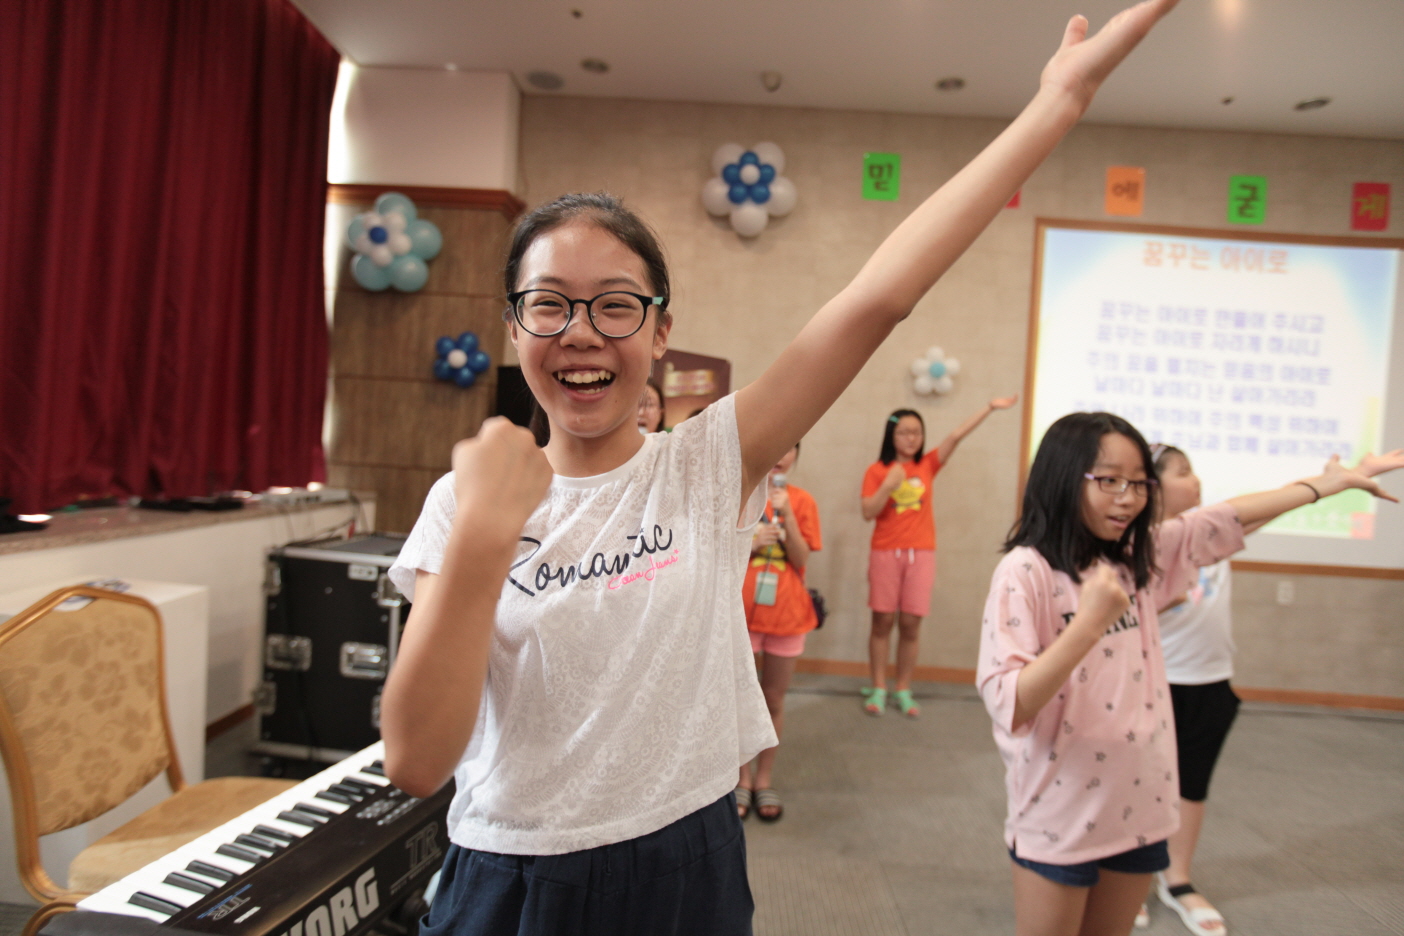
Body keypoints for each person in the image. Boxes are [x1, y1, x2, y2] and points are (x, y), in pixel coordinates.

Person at [380, 4, 1181, 931]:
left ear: (661, 331)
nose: (582, 333)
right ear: (515, 326)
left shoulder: (706, 464)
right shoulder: (466, 500)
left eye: (616, 305)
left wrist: (1057, 104)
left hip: (684, 858)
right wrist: (483, 541)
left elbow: (878, 297)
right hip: (513, 874)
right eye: (549, 304)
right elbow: (416, 760)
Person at [977, 412, 1400, 936]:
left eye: (1139, 483)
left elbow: (1224, 519)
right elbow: (1010, 701)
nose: (1128, 498)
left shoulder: (1136, 556)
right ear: (1063, 477)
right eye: (1109, 480)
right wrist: (1085, 627)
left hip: (1141, 803)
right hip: (1060, 809)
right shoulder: (1025, 571)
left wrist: (1324, 485)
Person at [1140, 444, 1404, 936]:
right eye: (1183, 473)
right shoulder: (1144, 542)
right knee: (1142, 786)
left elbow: (1275, 504)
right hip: (1156, 683)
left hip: (1210, 680)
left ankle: (1176, 879)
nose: (1196, 480)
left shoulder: (1208, 530)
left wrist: (1344, 477)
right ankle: (1130, 880)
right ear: (1152, 487)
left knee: (1192, 784)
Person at [860, 398, 1017, 717]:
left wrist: (989, 408)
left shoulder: (927, 465)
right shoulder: (877, 471)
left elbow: (956, 436)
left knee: (910, 624)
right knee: (882, 622)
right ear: (891, 435)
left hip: (921, 554)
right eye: (904, 432)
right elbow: (867, 512)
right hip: (886, 552)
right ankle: (878, 686)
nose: (911, 438)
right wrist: (888, 486)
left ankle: (903, 688)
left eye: (916, 432)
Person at [737, 442, 821, 823]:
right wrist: (753, 544)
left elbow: (802, 559)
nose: (781, 454)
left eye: (790, 448)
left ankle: (764, 779)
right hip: (742, 614)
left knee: (773, 700)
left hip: (787, 616)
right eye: (778, 445)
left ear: (797, 455)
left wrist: (787, 518)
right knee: (740, 698)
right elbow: (719, 553)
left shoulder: (802, 501)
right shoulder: (742, 497)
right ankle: (741, 778)